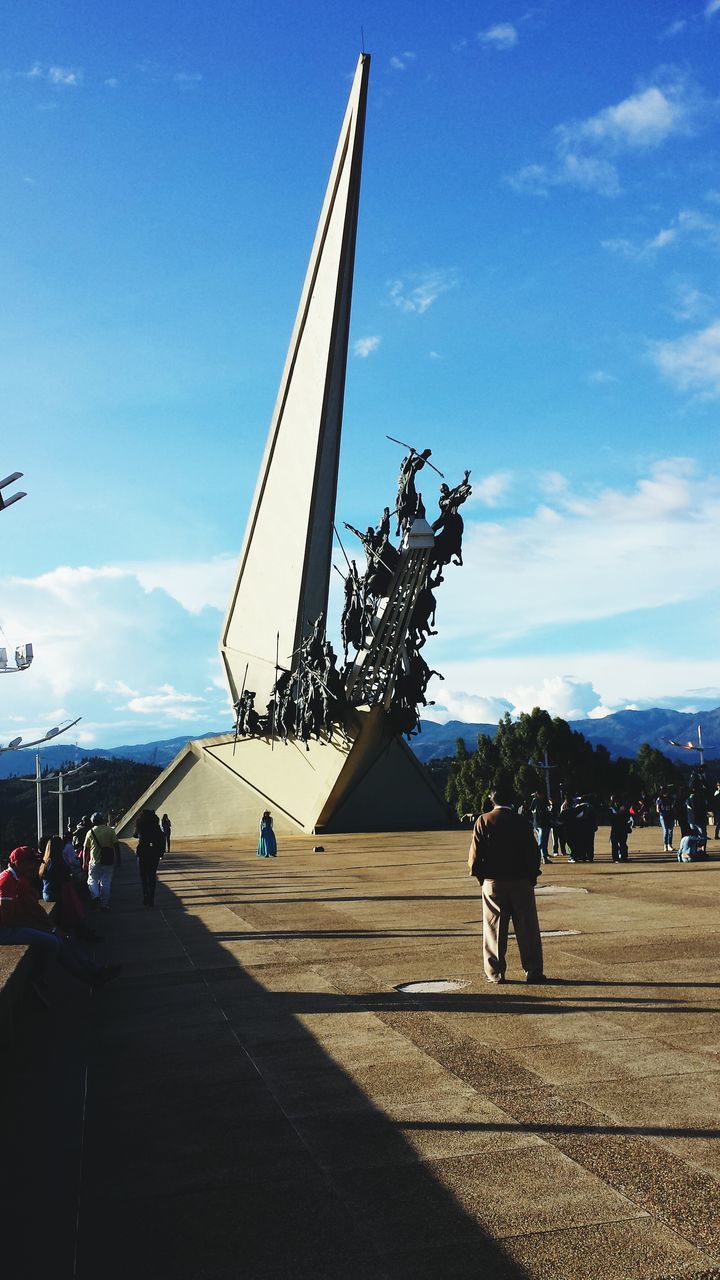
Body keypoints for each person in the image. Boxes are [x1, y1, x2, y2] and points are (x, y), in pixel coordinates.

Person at [0, 846, 119, 988]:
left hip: (16, 924)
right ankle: (39, 978)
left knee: (62, 936)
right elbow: (9, 920)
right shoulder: (6, 881)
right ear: (19, 863)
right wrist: (46, 928)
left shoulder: (21, 879)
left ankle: (95, 971)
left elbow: (35, 909)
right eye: (32, 862)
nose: (36, 866)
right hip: (5, 930)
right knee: (53, 942)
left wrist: (52, 927)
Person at [467, 787, 544, 984]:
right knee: (527, 928)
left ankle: (496, 972)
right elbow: (533, 853)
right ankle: (533, 970)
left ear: (492, 801)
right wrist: (531, 877)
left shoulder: (483, 821)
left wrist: (481, 878)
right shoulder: (522, 822)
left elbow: (475, 856)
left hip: (493, 883)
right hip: (521, 882)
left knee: (494, 929)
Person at [83, 812, 118, 910]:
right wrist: (118, 859)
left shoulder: (90, 832)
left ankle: (95, 895)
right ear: (102, 820)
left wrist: (84, 862)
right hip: (108, 860)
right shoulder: (110, 831)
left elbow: (85, 849)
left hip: (94, 861)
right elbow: (116, 845)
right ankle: (104, 904)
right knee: (106, 882)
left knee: (92, 880)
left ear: (92, 822)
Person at [133, 810, 165, 907]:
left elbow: (134, 835)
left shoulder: (140, 826)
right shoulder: (156, 827)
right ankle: (151, 897)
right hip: (154, 853)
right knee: (152, 875)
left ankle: (145, 895)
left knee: (143, 876)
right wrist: (161, 853)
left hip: (142, 852)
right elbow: (162, 839)